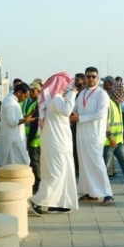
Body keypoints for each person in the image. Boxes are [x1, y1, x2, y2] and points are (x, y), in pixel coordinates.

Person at [28, 73, 79, 216]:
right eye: (65, 85)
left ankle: (56, 204)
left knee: (60, 174)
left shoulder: (54, 100)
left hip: (58, 143)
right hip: (57, 144)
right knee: (56, 175)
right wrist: (73, 94)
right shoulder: (56, 99)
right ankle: (37, 200)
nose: (67, 88)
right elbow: (66, 111)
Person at [71, 67, 114, 205]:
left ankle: (107, 193)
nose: (90, 79)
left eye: (93, 76)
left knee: (97, 162)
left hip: (95, 134)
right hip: (81, 133)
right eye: (88, 76)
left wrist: (80, 118)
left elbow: (100, 114)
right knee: (84, 163)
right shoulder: (82, 93)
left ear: (97, 77)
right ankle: (90, 192)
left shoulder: (102, 94)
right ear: (84, 78)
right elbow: (75, 110)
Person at [0, 83, 34, 167]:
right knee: (23, 162)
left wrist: (25, 118)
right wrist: (26, 120)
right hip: (13, 140)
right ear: (19, 93)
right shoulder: (11, 103)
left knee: (13, 165)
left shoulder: (11, 100)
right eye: (25, 96)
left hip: (13, 138)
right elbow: (12, 122)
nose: (25, 100)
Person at [26, 81, 42, 194]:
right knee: (34, 163)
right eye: (30, 91)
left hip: (35, 140)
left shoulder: (37, 104)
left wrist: (29, 139)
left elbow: (35, 124)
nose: (31, 93)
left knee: (35, 164)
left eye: (33, 91)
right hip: (34, 139)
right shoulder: (33, 103)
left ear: (39, 91)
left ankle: (38, 184)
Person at [71, 73, 86, 177]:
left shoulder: (84, 94)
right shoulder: (76, 94)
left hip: (82, 124)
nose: (76, 82)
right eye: (75, 80)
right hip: (74, 124)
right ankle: (76, 168)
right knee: (74, 147)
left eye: (78, 80)